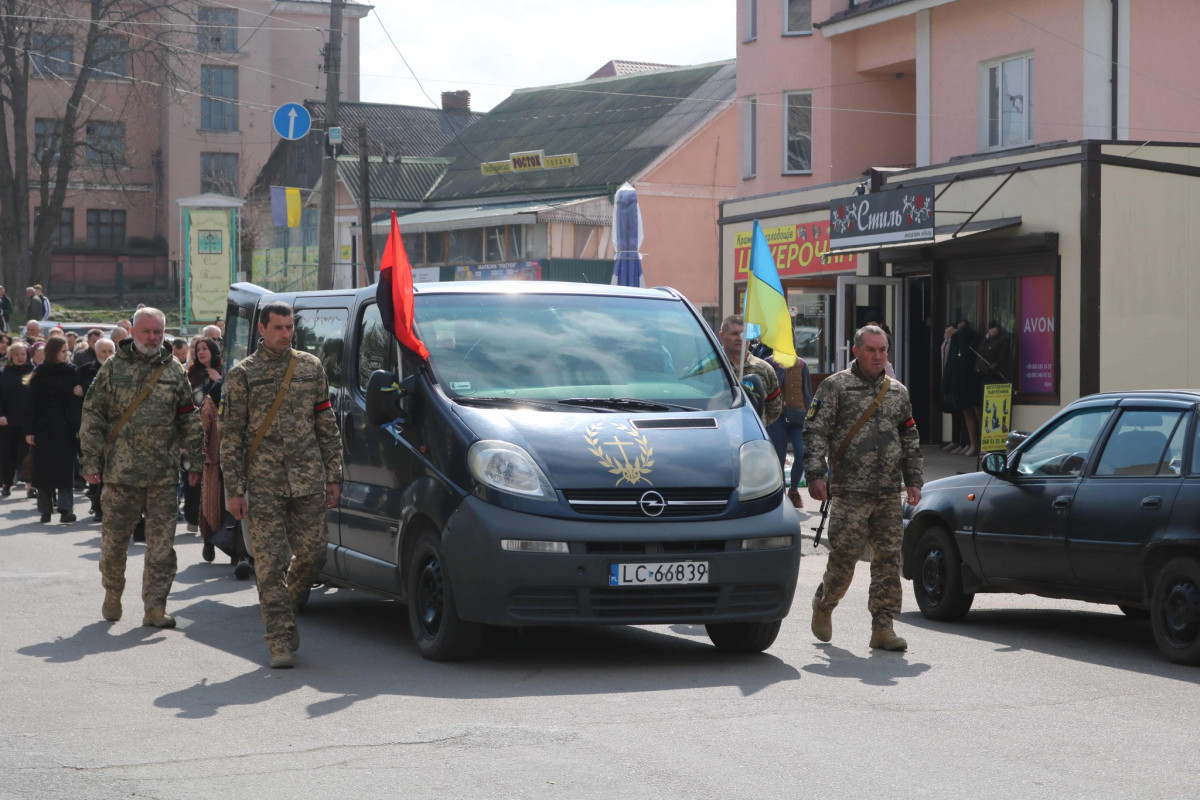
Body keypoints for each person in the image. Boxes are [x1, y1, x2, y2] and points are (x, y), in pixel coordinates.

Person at [220, 301, 343, 669]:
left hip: (307, 480)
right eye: (279, 328)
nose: (286, 334)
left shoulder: (310, 367)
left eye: (290, 327)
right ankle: (280, 639)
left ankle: (285, 605)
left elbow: (326, 423)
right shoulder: (242, 374)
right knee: (270, 564)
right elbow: (231, 438)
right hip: (264, 484)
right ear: (262, 329)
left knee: (314, 555)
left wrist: (334, 474)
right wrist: (234, 490)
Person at [80, 308, 203, 628]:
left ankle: (155, 606)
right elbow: (92, 417)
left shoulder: (175, 370)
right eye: (147, 331)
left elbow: (189, 417)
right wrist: (91, 462)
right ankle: (113, 592)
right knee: (114, 543)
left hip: (163, 475)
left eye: (158, 332)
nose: (153, 338)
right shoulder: (112, 368)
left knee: (163, 547)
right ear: (133, 332)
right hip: (121, 474)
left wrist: (197, 460)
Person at [805, 324, 923, 652]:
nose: (877, 356)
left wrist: (913, 479)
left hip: (888, 491)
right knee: (845, 556)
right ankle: (824, 604)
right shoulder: (835, 387)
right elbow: (815, 431)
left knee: (887, 559)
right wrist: (815, 473)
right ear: (856, 351)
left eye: (882, 350)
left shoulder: (897, 392)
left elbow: (909, 437)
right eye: (871, 350)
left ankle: (882, 626)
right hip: (849, 490)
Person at [25, 337, 80, 523]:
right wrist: (30, 430)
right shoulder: (40, 373)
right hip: (44, 428)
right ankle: (45, 510)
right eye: (63, 351)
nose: (67, 354)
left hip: (66, 428)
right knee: (43, 470)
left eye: (68, 351)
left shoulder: (72, 372)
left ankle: (66, 509)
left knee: (65, 470)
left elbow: (78, 400)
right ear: (53, 352)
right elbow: (31, 404)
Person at [181, 338, 221, 534]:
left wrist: (218, 380)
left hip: (216, 435)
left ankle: (211, 521)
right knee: (192, 477)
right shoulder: (190, 375)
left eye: (205, 349)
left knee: (212, 480)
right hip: (194, 433)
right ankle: (192, 516)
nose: (202, 352)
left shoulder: (224, 372)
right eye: (198, 350)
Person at [716, 315, 781, 426]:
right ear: (721, 336)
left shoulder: (764, 369)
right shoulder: (708, 368)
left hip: (753, 436)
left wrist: (757, 424)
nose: (740, 338)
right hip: (720, 434)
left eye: (745, 334)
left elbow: (774, 409)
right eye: (734, 334)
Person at [942, 318, 981, 456]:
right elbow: (950, 364)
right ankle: (969, 443)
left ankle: (976, 443)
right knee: (965, 412)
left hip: (972, 381)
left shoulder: (972, 339)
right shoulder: (956, 339)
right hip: (959, 381)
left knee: (976, 412)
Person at [0, 342, 32, 496]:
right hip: (8, 421)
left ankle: (30, 486)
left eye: (23, 354)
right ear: (10, 356)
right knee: (8, 454)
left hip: (29, 421)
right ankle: (6, 483)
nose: (20, 357)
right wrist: (1, 414)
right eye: (16, 354)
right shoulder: (3, 373)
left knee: (28, 454)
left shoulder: (34, 372)